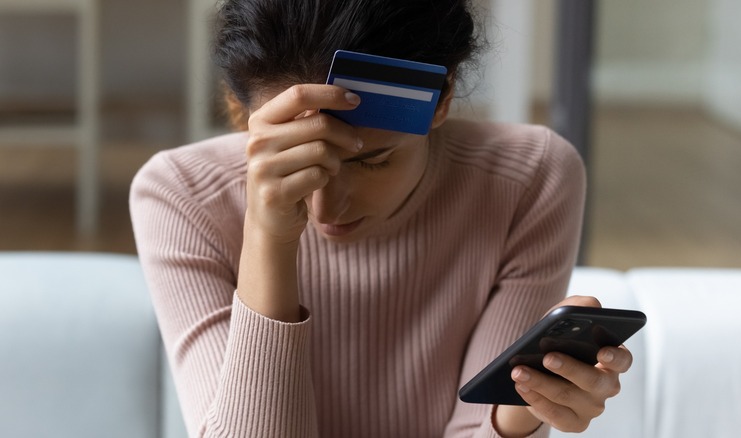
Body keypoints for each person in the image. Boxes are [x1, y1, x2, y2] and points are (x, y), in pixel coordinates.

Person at [130, 0, 633, 437]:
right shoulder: (182, 197)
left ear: (444, 98)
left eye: (370, 160)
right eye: (300, 163)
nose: (325, 209)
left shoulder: (529, 179)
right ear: (241, 111)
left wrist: (518, 413)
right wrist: (268, 235)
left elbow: (488, 422)